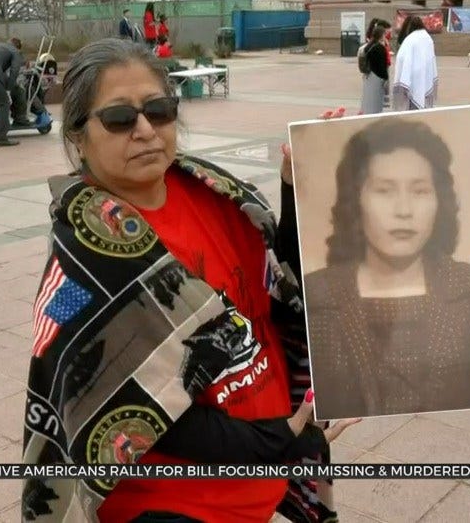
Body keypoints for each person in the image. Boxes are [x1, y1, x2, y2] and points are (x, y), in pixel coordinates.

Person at [20, 38, 358, 523]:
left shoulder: (214, 192)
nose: (144, 130)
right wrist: (276, 437)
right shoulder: (84, 260)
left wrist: (297, 191)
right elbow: (125, 414)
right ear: (77, 137)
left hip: (260, 480)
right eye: (119, 118)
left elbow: (274, 288)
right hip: (171, 505)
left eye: (159, 111)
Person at [303, 117, 470, 420]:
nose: (403, 210)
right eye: (384, 190)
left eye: (420, 191)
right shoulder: (317, 296)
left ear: (440, 201)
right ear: (356, 200)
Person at [393, 15, 438, 111]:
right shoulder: (428, 38)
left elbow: (402, 57)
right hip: (425, 73)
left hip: (413, 74)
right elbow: (431, 59)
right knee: (421, 100)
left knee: (411, 104)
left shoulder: (410, 39)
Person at [360, 25, 388, 115]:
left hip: (368, 75)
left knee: (368, 100)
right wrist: (385, 78)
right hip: (377, 77)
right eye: (385, 34)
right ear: (381, 35)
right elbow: (382, 66)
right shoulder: (380, 48)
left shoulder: (368, 46)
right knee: (376, 103)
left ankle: (366, 115)